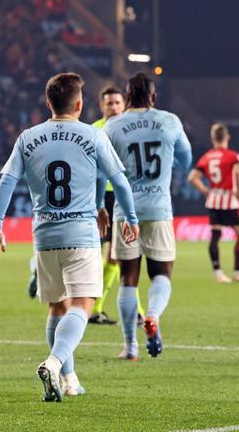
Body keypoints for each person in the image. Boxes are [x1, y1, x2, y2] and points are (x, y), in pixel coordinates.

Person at [0, 72, 139, 401]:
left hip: (44, 235)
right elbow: (120, 182)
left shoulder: (28, 137)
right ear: (80, 104)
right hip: (81, 235)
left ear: (48, 103)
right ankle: (55, 363)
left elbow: (7, 182)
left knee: (57, 307)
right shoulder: (93, 136)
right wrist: (130, 218)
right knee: (82, 306)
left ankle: (69, 379)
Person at [104, 72, 192, 360]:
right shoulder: (169, 121)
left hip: (124, 213)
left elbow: (102, 169)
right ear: (153, 97)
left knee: (128, 279)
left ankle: (130, 347)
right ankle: (152, 315)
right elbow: (186, 160)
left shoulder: (112, 126)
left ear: (127, 97)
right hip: (159, 209)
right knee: (162, 274)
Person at [89, 86, 146, 324]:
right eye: (109, 103)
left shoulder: (131, 130)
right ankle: (132, 311)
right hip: (101, 199)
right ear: (101, 106)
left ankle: (99, 309)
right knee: (116, 256)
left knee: (121, 256)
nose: (113, 107)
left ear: (124, 105)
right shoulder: (93, 130)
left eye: (117, 103)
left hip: (127, 197)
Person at [188, 123, 239, 283]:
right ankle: (238, 272)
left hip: (213, 200)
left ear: (213, 139)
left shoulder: (206, 157)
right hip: (229, 200)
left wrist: (206, 191)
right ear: (227, 137)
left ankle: (217, 272)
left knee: (215, 235)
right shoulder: (233, 156)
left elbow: (192, 178)